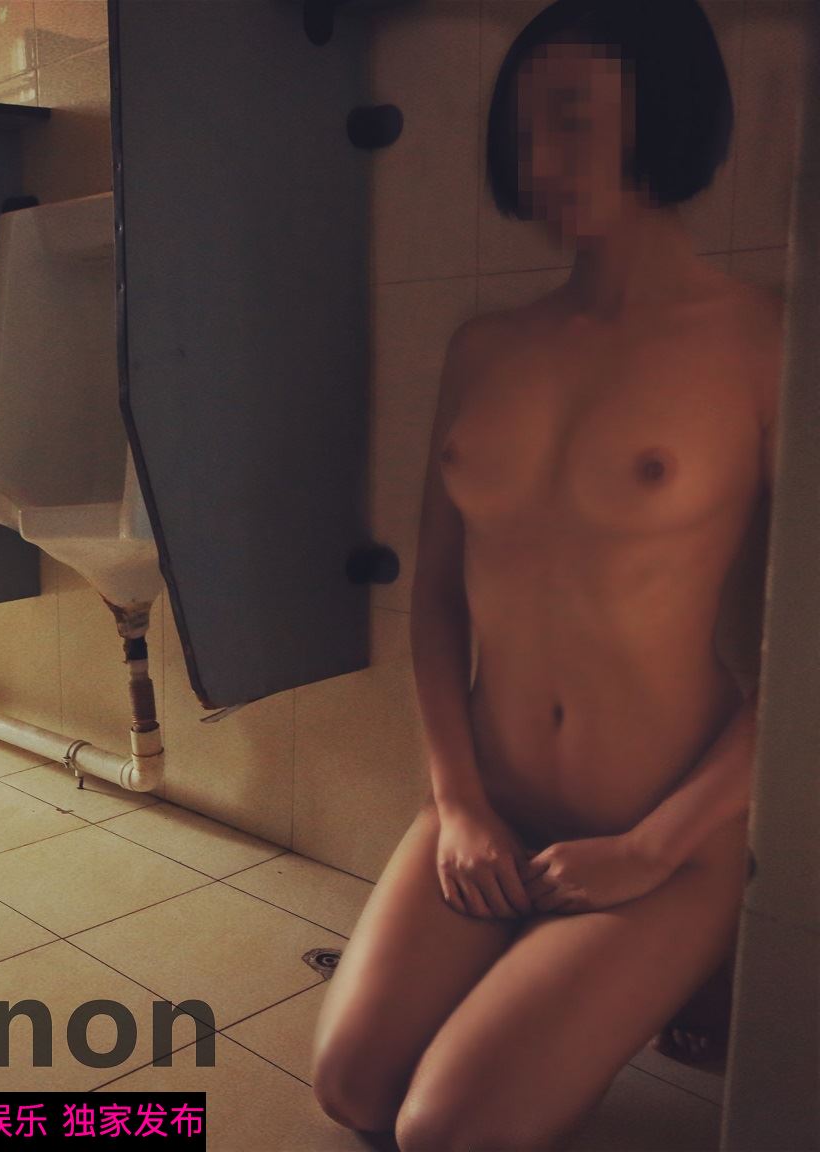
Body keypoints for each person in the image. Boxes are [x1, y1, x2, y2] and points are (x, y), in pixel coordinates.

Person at [309, 1, 785, 1148]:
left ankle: (685, 957)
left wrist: (656, 846)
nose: (541, 161)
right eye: (524, 132)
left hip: (664, 831)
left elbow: (811, 649)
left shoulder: (765, 343)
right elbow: (434, 600)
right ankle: (542, 972)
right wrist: (458, 804)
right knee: (353, 1088)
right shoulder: (486, 347)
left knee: (444, 1131)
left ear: (662, 111)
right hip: (493, 804)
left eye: (572, 118)